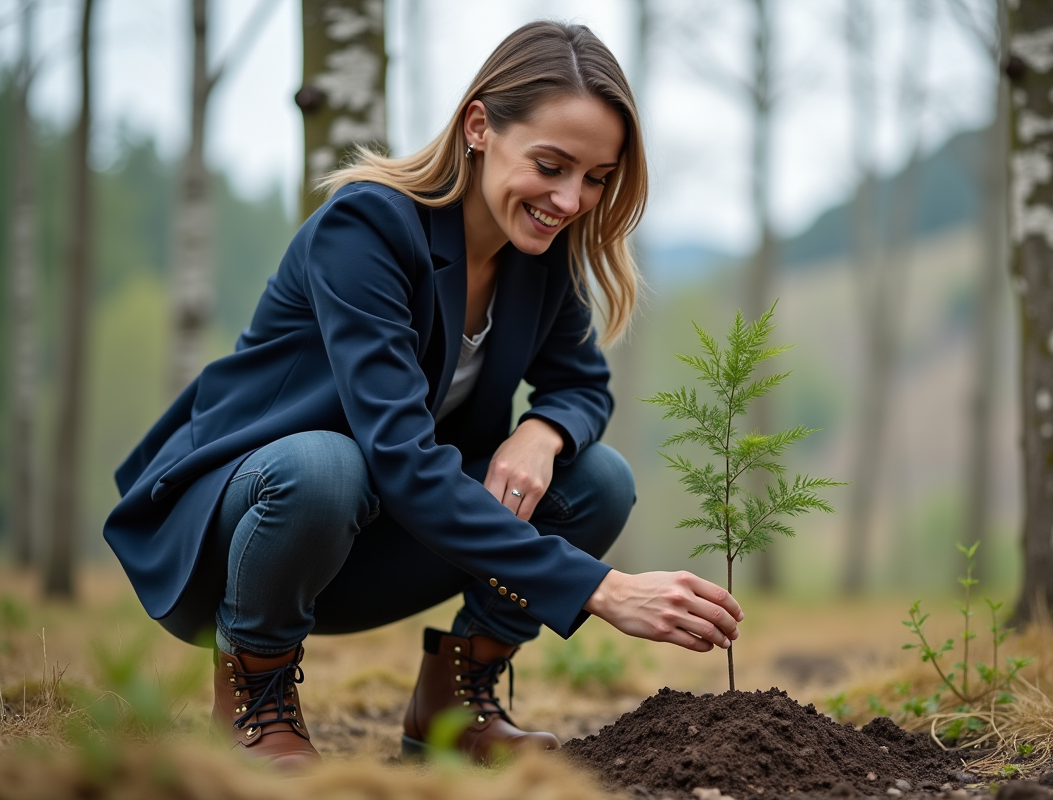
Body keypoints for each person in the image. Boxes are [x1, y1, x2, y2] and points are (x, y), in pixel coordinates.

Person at [104, 20, 743, 769]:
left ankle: (452, 705)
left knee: (597, 482)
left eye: (596, 178)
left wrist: (543, 432)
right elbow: (400, 460)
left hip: (372, 539)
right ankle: (256, 695)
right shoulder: (367, 227)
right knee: (325, 466)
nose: (572, 199)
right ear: (480, 126)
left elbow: (581, 386)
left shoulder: (539, 255)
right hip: (239, 537)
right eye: (552, 165)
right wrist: (599, 589)